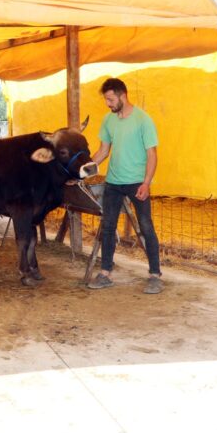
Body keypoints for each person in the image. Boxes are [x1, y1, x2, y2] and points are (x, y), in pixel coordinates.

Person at [86, 77, 163, 294]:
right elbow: (103, 151)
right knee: (108, 227)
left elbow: (152, 155)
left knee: (146, 226)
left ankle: (155, 275)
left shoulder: (143, 120)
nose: (108, 104)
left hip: (137, 182)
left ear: (122, 95)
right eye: (106, 100)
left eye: (110, 99)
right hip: (113, 182)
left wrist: (147, 183)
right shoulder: (108, 120)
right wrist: (85, 170)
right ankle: (105, 273)